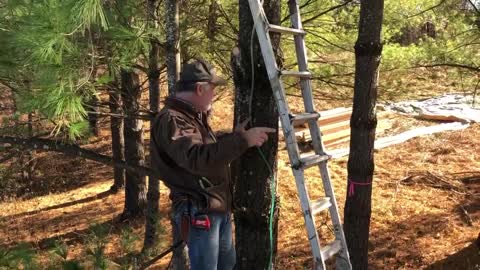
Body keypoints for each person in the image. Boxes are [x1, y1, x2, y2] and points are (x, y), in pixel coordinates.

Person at [151, 58, 275, 270]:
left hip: (214, 208)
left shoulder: (189, 116)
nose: (214, 95)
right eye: (213, 89)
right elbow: (197, 158)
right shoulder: (173, 119)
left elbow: (206, 146)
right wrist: (243, 141)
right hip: (199, 210)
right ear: (200, 88)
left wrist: (233, 137)